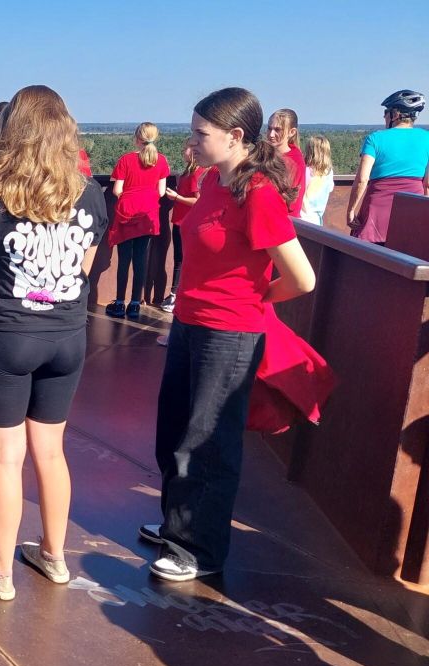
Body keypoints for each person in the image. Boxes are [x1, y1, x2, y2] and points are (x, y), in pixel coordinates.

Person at [141, 87, 316, 582]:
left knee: (208, 442)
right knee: (174, 430)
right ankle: (176, 526)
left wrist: (252, 299)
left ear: (236, 136)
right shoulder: (216, 181)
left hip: (229, 333)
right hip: (189, 324)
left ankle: (199, 549)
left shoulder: (258, 193)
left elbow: (302, 278)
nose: (191, 142)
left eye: (201, 134)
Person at [0, 86, 108, 601]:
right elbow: (83, 271)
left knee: (5, 458)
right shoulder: (90, 195)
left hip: (8, 339)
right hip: (67, 338)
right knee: (51, 452)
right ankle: (54, 556)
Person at [347, 89, 429, 243]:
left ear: (395, 114)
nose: (384, 116)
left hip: (376, 215)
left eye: (386, 112)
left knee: (365, 255)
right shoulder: (427, 139)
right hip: (412, 214)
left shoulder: (374, 139)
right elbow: (427, 184)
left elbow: (362, 179)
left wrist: (351, 211)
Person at [105, 122, 169, 320]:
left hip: (127, 214)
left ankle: (119, 303)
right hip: (148, 215)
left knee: (124, 260)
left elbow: (117, 190)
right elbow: (161, 191)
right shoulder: (161, 161)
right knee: (140, 259)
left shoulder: (126, 160)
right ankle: (134, 304)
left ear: (137, 138)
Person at [160, 146, 208, 313]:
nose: (183, 151)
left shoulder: (196, 173)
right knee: (180, 258)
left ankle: (176, 295)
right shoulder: (190, 172)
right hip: (180, 221)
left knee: (181, 259)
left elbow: (198, 201)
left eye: (186, 148)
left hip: (186, 221)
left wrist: (177, 197)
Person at [267, 108, 306, 218]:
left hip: (283, 219)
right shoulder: (267, 154)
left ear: (291, 132)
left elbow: (287, 200)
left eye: (277, 130)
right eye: (269, 129)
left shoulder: (294, 161)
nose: (271, 134)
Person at [300, 136, 335, 225]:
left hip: (301, 217)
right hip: (316, 220)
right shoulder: (329, 172)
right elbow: (330, 188)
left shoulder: (305, 170)